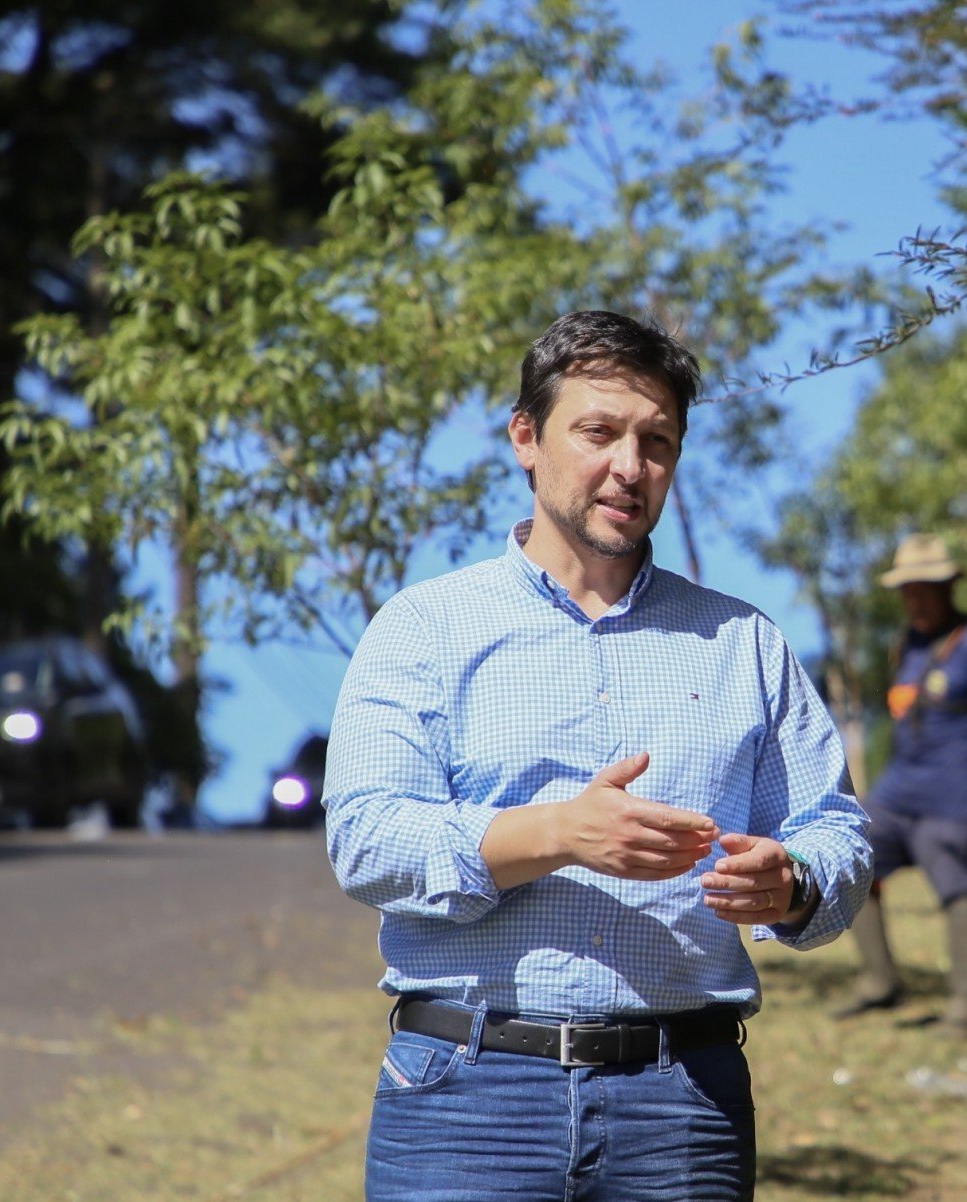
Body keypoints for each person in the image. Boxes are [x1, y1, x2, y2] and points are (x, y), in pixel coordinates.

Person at [322, 310, 873, 1202]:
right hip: (465, 1095)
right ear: (526, 438)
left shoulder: (744, 642)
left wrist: (795, 883)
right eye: (600, 431)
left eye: (657, 440)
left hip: (683, 1102)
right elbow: (366, 839)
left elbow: (834, 829)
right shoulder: (423, 630)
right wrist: (559, 834)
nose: (631, 465)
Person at [834, 533, 967, 1035]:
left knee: (958, 886)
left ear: (948, 587)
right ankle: (880, 982)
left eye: (925, 587)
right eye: (908, 589)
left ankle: (965, 1009)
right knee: (849, 852)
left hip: (953, 797)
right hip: (900, 793)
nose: (915, 598)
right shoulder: (908, 644)